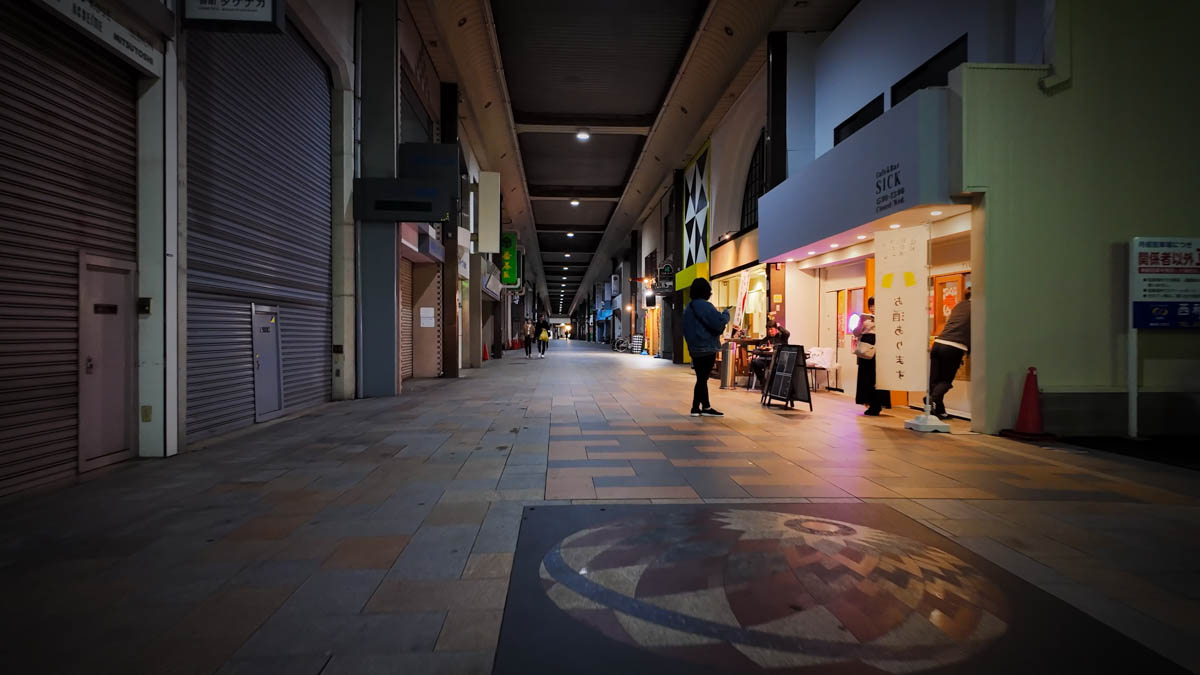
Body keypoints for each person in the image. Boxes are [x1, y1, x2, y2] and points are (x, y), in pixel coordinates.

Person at [681, 277, 729, 417]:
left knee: (701, 377)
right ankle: (695, 407)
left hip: (694, 348)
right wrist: (725, 314)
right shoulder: (706, 306)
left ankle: (706, 406)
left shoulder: (688, 308)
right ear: (706, 291)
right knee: (702, 379)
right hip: (707, 348)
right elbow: (718, 325)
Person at [929, 289, 971, 419]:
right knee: (946, 380)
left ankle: (939, 411)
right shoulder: (979, 307)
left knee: (935, 380)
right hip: (954, 346)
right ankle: (931, 399)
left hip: (938, 343)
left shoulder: (960, 305)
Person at [853, 297, 889, 416]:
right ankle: (869, 403)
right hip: (865, 349)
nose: (873, 308)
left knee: (878, 377)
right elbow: (856, 333)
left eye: (875, 305)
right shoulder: (864, 319)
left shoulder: (885, 318)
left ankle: (878, 404)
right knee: (866, 377)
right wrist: (860, 322)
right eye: (871, 306)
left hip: (879, 349)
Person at [750, 320, 790, 389]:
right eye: (768, 329)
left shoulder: (781, 337)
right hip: (766, 359)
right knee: (754, 362)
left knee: (775, 367)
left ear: (776, 329)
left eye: (771, 329)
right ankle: (763, 381)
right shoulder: (766, 339)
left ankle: (771, 385)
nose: (769, 331)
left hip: (778, 359)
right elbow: (759, 348)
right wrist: (754, 355)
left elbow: (787, 333)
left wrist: (779, 326)